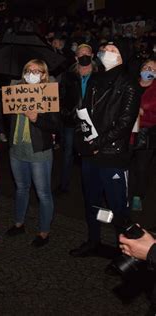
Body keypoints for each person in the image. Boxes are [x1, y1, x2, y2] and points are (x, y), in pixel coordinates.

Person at [70, 42, 140, 259]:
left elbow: (124, 123)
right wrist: (82, 139)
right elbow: (86, 113)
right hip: (92, 155)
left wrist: (97, 144)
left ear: (122, 57)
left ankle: (126, 253)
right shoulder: (95, 80)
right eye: (104, 50)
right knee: (92, 202)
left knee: (119, 208)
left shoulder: (128, 84)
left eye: (113, 51)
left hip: (112, 156)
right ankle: (93, 240)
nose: (106, 54)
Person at [5, 59, 60, 247]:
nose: (32, 73)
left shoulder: (49, 93)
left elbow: (55, 124)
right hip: (17, 149)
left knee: (43, 193)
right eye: (28, 70)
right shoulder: (16, 90)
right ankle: (19, 223)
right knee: (21, 188)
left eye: (37, 71)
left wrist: (36, 118)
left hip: (39, 152)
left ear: (44, 74)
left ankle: (44, 231)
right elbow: (7, 118)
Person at [57, 44, 95, 194]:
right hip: (72, 121)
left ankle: (90, 188)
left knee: (90, 154)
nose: (84, 56)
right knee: (68, 154)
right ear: (76, 57)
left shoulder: (100, 75)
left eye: (87, 53)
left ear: (92, 56)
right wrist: (67, 113)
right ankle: (64, 185)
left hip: (92, 122)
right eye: (81, 54)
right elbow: (61, 97)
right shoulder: (68, 76)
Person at [129, 58, 156, 212]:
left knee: (142, 168)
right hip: (127, 133)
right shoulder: (131, 85)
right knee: (126, 165)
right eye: (146, 67)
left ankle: (138, 196)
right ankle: (125, 192)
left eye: (152, 69)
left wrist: (144, 113)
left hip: (146, 135)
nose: (148, 71)